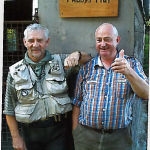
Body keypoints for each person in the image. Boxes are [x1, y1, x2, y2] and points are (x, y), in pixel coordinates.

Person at [3, 23, 91, 150]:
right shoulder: (15, 72)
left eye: (40, 40)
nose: (35, 45)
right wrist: (16, 137)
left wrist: (77, 54)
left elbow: (89, 60)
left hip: (59, 132)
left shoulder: (61, 61)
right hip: (30, 134)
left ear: (47, 42)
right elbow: (9, 108)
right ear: (25, 42)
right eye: (31, 41)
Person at [72, 23, 149, 150]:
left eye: (107, 39)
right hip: (85, 138)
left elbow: (146, 94)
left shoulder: (132, 64)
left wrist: (128, 72)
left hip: (119, 139)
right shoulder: (86, 68)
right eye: (99, 40)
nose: (103, 44)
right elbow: (77, 102)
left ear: (117, 40)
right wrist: (76, 132)